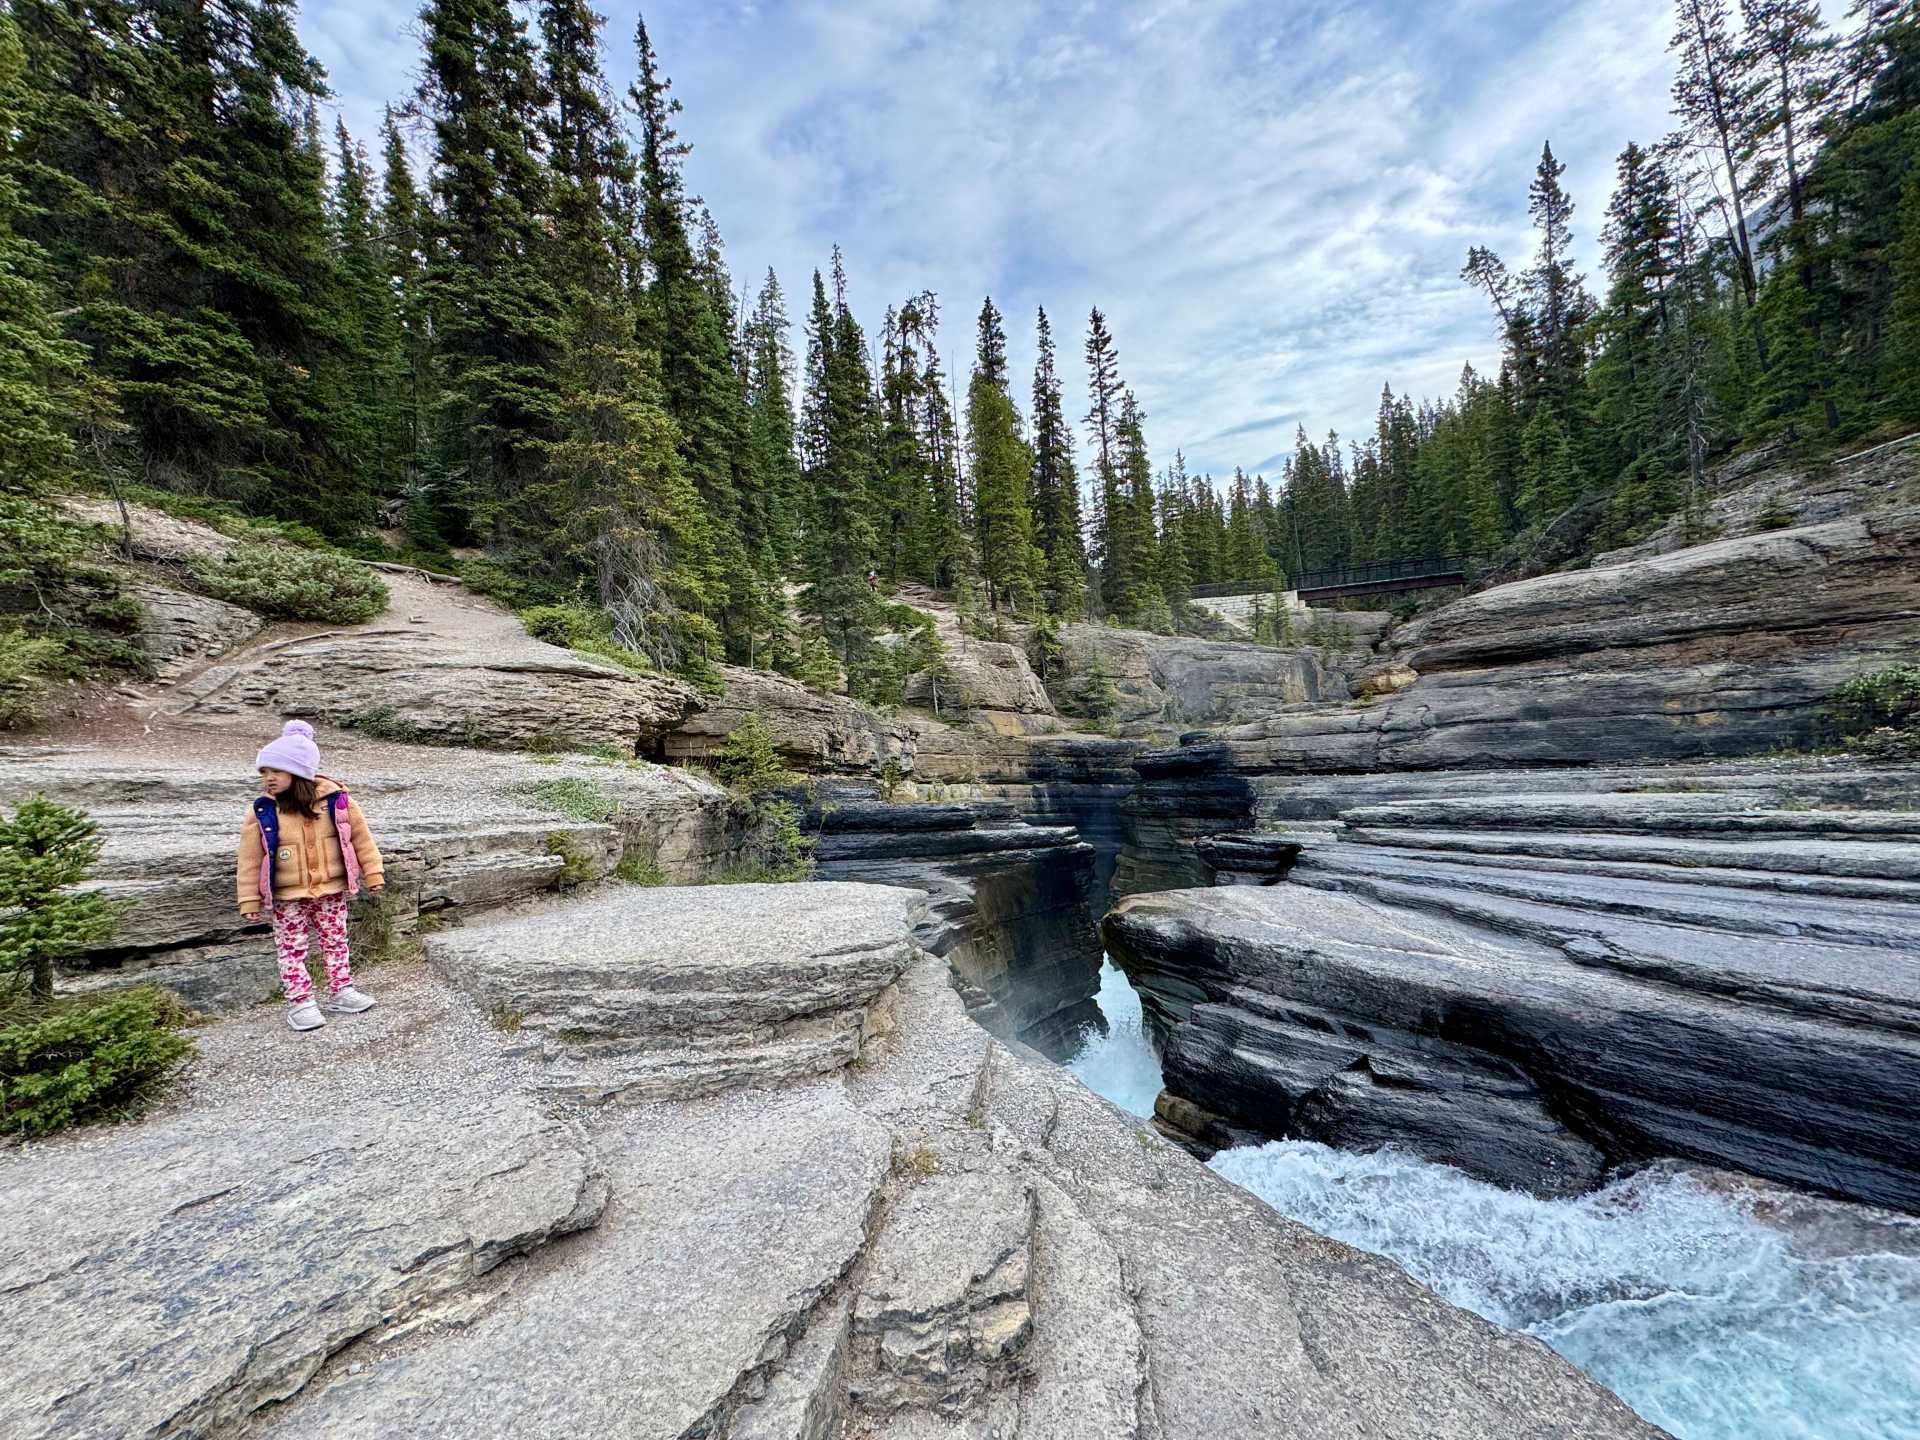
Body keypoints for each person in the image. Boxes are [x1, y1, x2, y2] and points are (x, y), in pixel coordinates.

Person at [237, 720, 386, 1031]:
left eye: (275, 771)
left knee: (336, 941)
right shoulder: (264, 811)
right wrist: (249, 898)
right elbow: (250, 858)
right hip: (287, 897)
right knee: (291, 947)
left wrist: (373, 873)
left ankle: (341, 990)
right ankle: (301, 1001)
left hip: (331, 890)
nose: (268, 779)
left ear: (300, 771)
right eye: (264, 773)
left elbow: (361, 839)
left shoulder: (338, 802)